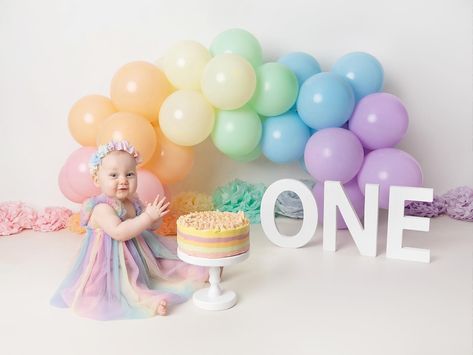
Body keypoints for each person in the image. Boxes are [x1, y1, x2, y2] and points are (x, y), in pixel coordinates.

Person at [51, 140, 208, 320]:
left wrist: (154, 219)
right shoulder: (102, 208)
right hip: (110, 262)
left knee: (164, 263)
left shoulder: (132, 201)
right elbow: (119, 232)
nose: (123, 180)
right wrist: (147, 217)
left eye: (130, 174)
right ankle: (148, 301)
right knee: (127, 284)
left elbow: (148, 226)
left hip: (140, 253)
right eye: (114, 175)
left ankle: (198, 272)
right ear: (96, 179)